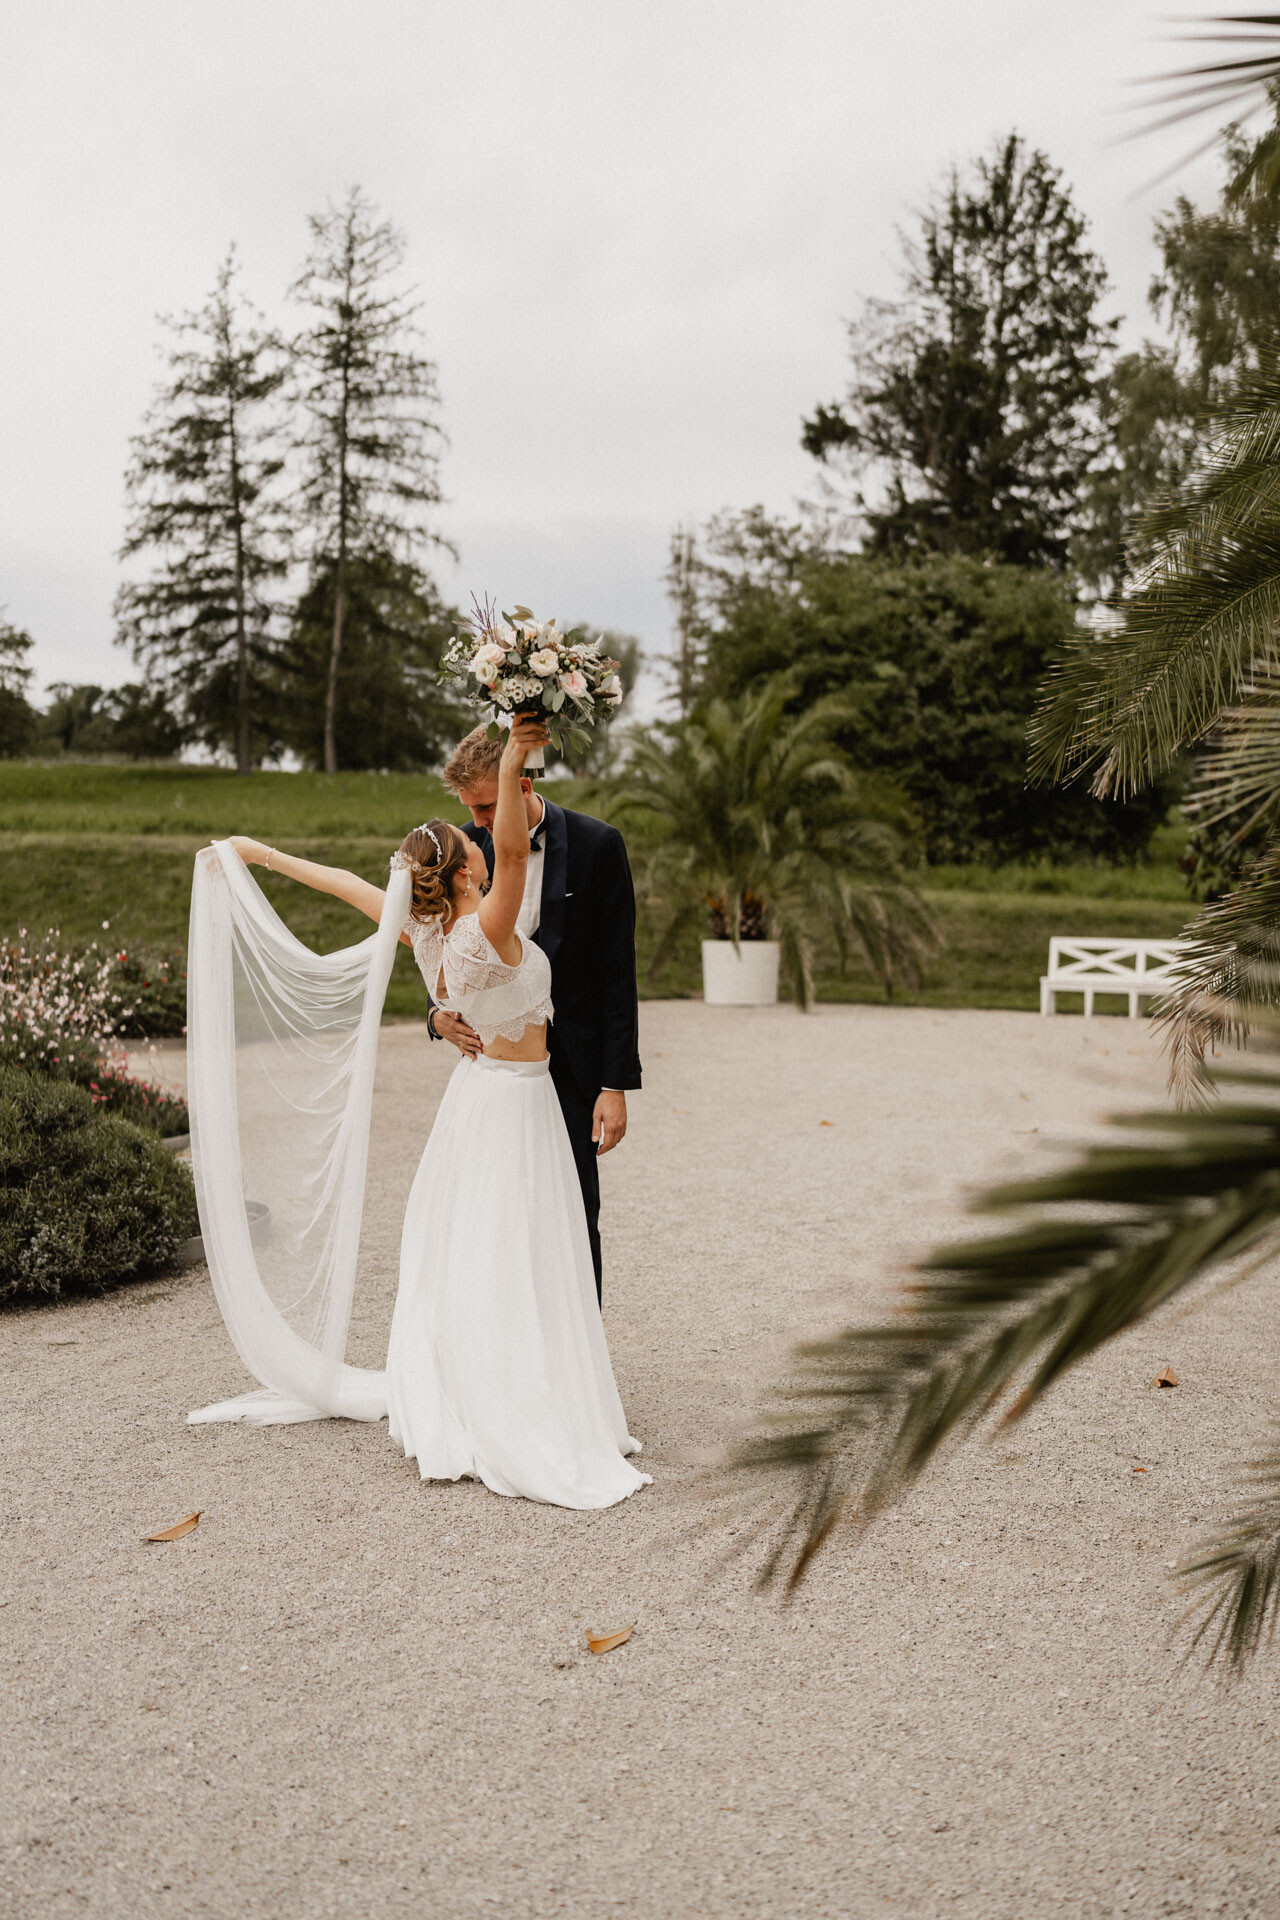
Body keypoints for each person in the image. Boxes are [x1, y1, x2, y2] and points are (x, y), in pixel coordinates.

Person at [211, 715, 648, 1511]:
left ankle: (497, 1384)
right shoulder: (488, 923)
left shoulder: (425, 925)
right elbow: (513, 854)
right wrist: (517, 749)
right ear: (466, 865)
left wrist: (261, 855)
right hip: (516, 1104)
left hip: (479, 1103)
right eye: (469, 828)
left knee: (480, 1248)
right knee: (522, 1247)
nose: (483, 834)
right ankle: (525, 1402)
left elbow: (351, 888)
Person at [431, 724, 641, 1302]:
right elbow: (439, 939)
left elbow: (617, 974)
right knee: (496, 1220)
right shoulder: (469, 855)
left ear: (523, 781)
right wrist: (436, 1014)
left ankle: (581, 1369)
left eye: (486, 805)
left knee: (574, 1212)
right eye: (471, 809)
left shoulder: (599, 846)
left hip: (572, 1070)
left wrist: (614, 1084)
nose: (477, 822)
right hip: (496, 1074)